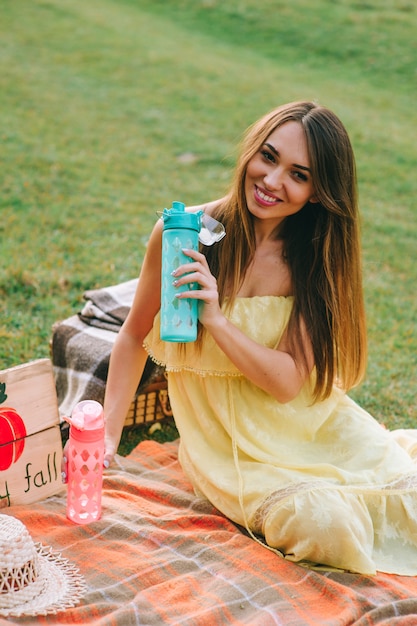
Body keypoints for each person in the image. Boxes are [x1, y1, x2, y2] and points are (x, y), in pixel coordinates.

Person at [101, 101, 417, 575]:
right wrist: (106, 437)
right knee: (326, 525)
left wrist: (217, 320)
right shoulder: (182, 234)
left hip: (309, 427)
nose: (271, 181)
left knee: (408, 497)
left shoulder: (314, 258)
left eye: (298, 174)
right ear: (251, 151)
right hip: (230, 452)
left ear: (317, 193)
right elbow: (131, 337)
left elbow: (288, 383)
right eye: (268, 157)